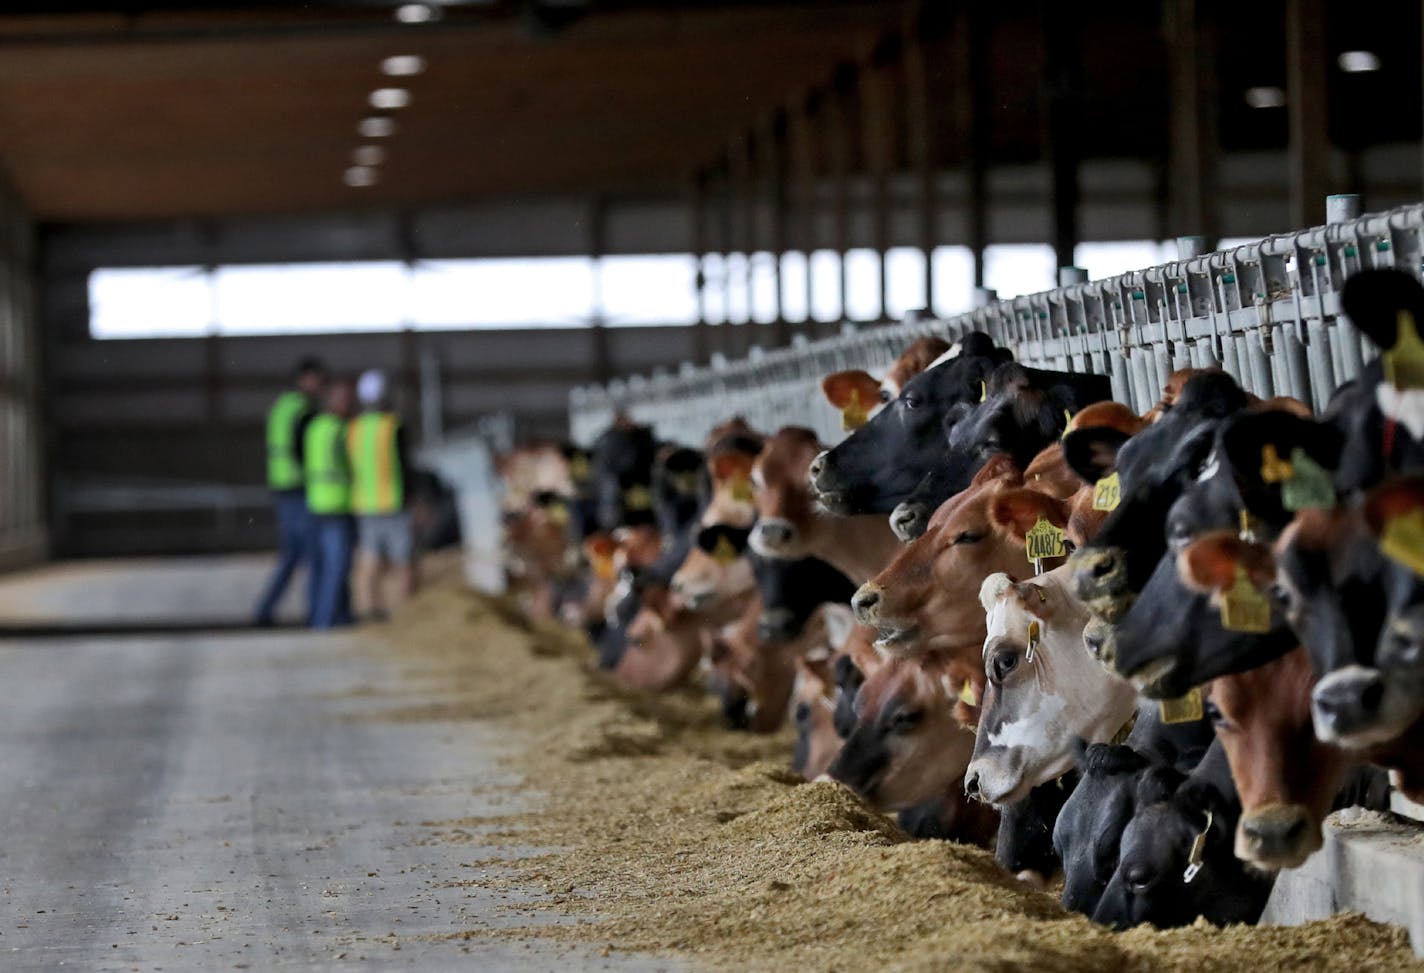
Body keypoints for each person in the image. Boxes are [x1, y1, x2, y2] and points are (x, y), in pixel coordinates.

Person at [254, 356, 326, 627]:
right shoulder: (303, 410)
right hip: (300, 488)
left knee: (292, 555)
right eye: (317, 379)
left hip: (281, 487)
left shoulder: (281, 407)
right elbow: (303, 451)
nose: (320, 385)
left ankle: (264, 610)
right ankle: (317, 614)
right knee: (312, 555)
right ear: (304, 379)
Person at [348, 369, 417, 620]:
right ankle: (404, 613)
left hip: (365, 504)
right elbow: (405, 467)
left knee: (370, 560)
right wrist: (415, 499)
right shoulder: (393, 427)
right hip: (393, 502)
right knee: (403, 561)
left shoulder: (353, 429)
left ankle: (370, 609)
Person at [304, 378, 357, 629]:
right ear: (335, 402)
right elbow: (352, 464)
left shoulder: (314, 427)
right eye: (347, 400)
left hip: (316, 503)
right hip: (338, 504)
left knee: (323, 566)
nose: (351, 404)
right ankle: (324, 622)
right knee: (337, 568)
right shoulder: (340, 429)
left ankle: (337, 617)